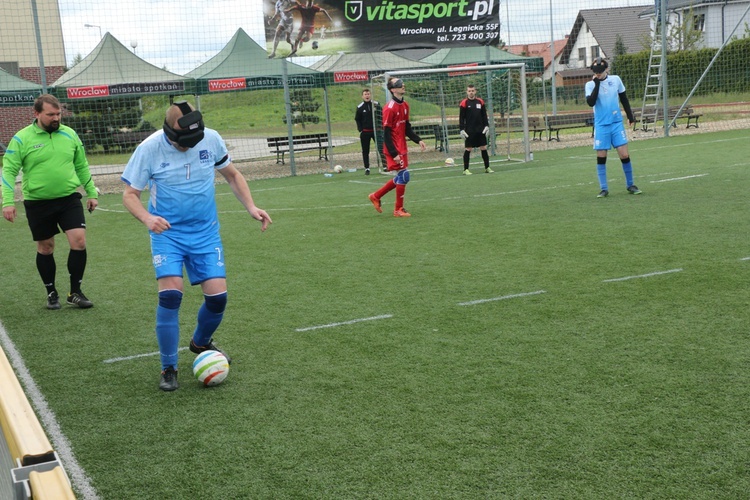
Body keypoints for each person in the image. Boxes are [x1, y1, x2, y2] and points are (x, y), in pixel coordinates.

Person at [121, 101, 272, 392]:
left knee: (218, 299)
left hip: (205, 233)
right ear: (169, 132)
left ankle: (200, 342)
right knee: (170, 296)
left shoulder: (212, 139)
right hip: (168, 234)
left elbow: (233, 175)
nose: (187, 147)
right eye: (181, 142)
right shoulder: (149, 149)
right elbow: (130, 194)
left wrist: (251, 207)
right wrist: (147, 218)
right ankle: (168, 367)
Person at [2, 94, 98, 310]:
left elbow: (81, 165)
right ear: (36, 114)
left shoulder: (70, 134)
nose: (56, 118)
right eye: (50, 115)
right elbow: (8, 171)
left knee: (79, 241)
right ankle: (51, 293)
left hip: (68, 198)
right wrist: (7, 202)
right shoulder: (21, 138)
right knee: (46, 248)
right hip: (38, 202)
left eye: (58, 114)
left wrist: (91, 192)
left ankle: (75, 292)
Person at [368, 78, 426, 218]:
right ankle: (398, 209)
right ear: (393, 90)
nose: (402, 86)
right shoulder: (389, 108)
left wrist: (418, 140)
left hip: (402, 147)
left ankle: (376, 196)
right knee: (404, 175)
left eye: (402, 84)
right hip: (393, 148)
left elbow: (407, 128)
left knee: (401, 177)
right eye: (399, 85)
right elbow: (386, 133)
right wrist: (393, 153)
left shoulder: (405, 105)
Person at [584, 57, 642, 198]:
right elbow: (591, 102)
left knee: (624, 154)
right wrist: (597, 84)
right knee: (601, 155)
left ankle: (630, 185)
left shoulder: (616, 79)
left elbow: (624, 98)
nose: (598, 74)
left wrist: (630, 116)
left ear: (607, 69)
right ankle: (604, 189)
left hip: (616, 123)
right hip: (601, 125)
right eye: (596, 72)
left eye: (601, 72)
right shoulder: (590, 85)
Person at [458, 84, 493, 175]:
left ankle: (487, 167)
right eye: (469, 91)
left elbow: (484, 115)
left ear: (475, 91)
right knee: (468, 149)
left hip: (480, 130)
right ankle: (466, 169)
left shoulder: (480, 102)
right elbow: (461, 118)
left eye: (472, 90)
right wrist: (462, 129)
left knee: (484, 148)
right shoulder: (464, 103)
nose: (471, 92)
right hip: (469, 130)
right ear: (467, 92)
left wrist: (486, 126)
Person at [354, 88, 385, 175]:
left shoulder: (376, 104)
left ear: (370, 95)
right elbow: (357, 119)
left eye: (368, 94)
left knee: (381, 148)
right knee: (365, 150)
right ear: (362, 96)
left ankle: (385, 165)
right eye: (365, 94)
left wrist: (380, 126)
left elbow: (381, 115)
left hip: (376, 131)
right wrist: (361, 129)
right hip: (365, 132)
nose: (367, 96)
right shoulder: (360, 107)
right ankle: (367, 168)